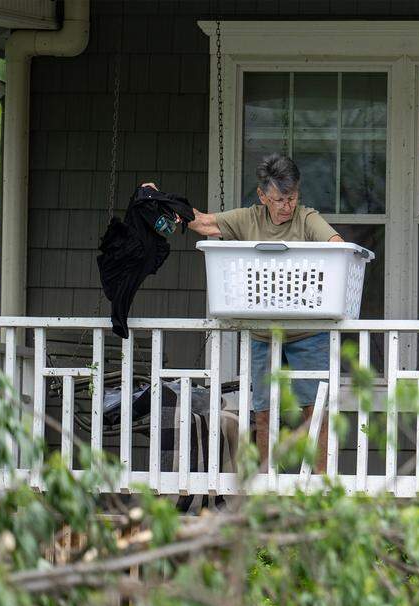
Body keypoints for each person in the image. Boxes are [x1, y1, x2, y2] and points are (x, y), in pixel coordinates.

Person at [144, 153, 343, 473]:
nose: (286, 207)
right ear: (263, 195)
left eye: (292, 198)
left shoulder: (306, 219)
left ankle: (321, 483)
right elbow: (205, 223)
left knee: (316, 410)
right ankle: (265, 486)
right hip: (263, 331)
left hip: (308, 329)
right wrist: (160, 200)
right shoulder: (248, 219)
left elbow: (336, 244)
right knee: (263, 412)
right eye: (279, 199)